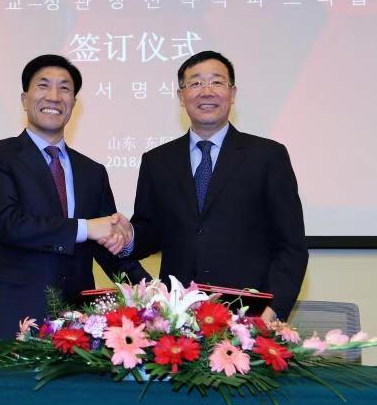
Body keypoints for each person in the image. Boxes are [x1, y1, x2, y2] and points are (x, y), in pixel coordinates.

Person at [0, 54, 148, 344]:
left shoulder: (92, 171)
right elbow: (8, 224)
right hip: (9, 322)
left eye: (64, 88)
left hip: (78, 326)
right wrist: (87, 227)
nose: (54, 96)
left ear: (74, 103)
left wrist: (153, 293)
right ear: (24, 99)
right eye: (43, 85)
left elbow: (107, 244)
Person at [125, 50, 308, 323]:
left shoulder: (268, 156)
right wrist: (125, 236)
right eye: (196, 83)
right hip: (177, 319)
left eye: (217, 82)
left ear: (232, 93)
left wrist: (272, 312)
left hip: (247, 317)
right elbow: (149, 233)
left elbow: (291, 246)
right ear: (181, 96)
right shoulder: (157, 161)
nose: (206, 91)